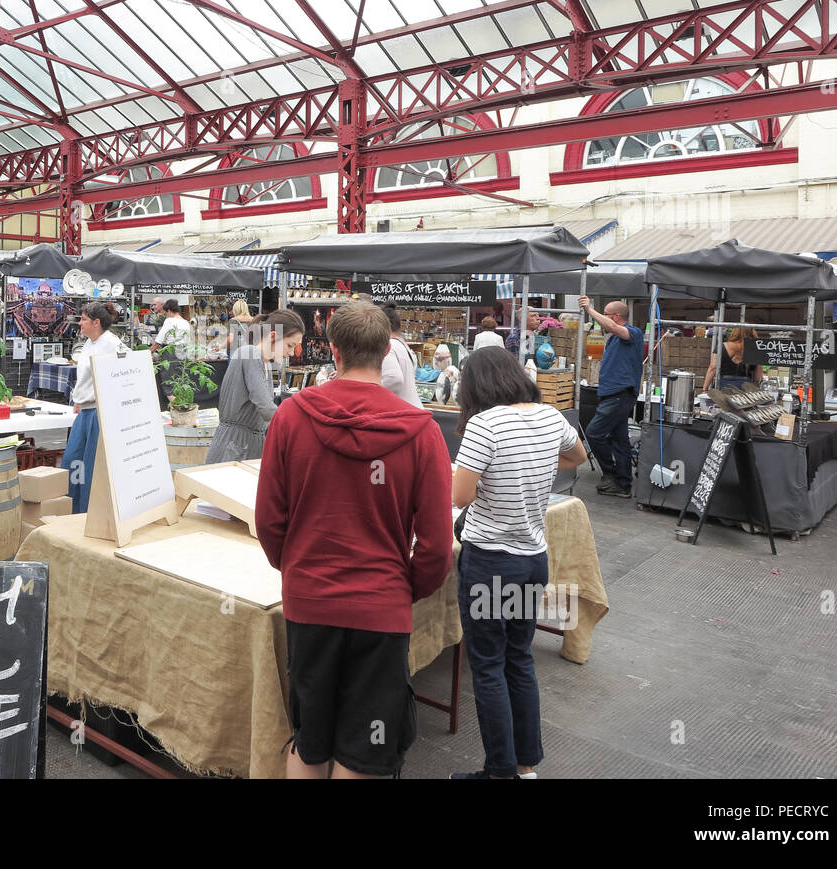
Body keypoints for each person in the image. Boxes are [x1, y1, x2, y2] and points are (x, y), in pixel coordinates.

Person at [256, 300, 453, 779]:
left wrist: (298, 567)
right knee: (365, 752)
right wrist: (403, 588)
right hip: (380, 609)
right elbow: (436, 544)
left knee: (309, 741)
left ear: (333, 350)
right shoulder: (422, 431)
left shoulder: (291, 416)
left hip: (310, 602)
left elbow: (269, 519)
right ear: (388, 350)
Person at [450, 347, 586, 779]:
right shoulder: (549, 416)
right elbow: (577, 456)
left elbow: (460, 496)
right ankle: (524, 767)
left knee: (487, 667)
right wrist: (537, 469)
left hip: (490, 562)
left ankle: (499, 771)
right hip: (531, 559)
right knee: (518, 660)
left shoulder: (484, 425)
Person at [206, 310, 304, 463]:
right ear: (273, 336)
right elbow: (265, 407)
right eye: (289, 345)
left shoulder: (264, 362)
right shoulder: (250, 353)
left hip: (247, 447)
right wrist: (299, 428)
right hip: (234, 448)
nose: (291, 353)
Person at [61, 301, 125, 514]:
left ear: (96, 322)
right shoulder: (89, 342)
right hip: (86, 410)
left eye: (84, 319)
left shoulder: (112, 343)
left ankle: (88, 512)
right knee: (73, 461)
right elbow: (86, 377)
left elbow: (127, 373)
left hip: (100, 412)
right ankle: (72, 508)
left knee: (90, 465)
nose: (79, 323)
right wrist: (79, 399)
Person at [578, 296, 644, 497]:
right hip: (614, 395)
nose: (602, 320)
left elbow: (616, 328)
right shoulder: (615, 338)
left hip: (619, 395)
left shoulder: (632, 332)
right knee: (619, 440)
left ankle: (610, 473)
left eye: (606, 315)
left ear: (616, 316)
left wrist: (590, 309)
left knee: (594, 433)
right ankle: (622, 484)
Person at [378, 303, 423, 409]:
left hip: (404, 412)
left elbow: (393, 378)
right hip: (413, 409)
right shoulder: (401, 344)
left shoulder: (390, 345)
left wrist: (372, 390)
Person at [702, 327, 763, 392]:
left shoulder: (722, 347)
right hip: (745, 388)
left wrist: (705, 388)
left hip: (724, 386)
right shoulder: (755, 350)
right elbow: (758, 377)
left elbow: (713, 368)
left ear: (734, 333)